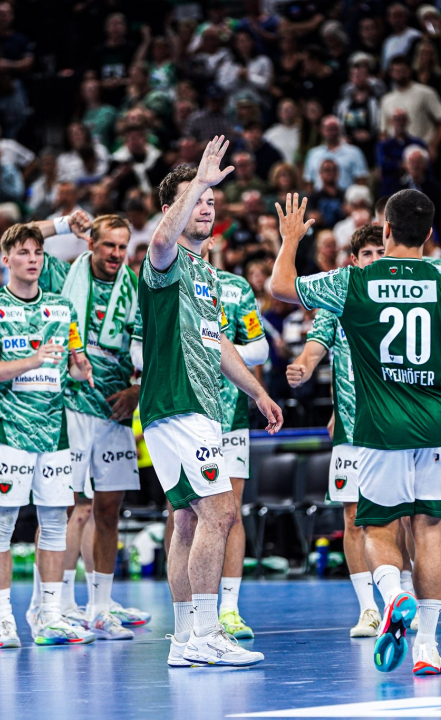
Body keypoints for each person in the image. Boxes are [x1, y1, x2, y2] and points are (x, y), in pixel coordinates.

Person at [271, 189, 441, 676]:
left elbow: (282, 286)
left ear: (385, 230)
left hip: (379, 431)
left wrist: (291, 239)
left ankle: (391, 595)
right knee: (429, 529)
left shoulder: (353, 279)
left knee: (379, 528)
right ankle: (427, 645)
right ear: (429, 234)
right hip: (438, 430)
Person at [139, 140, 283, 668]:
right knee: (220, 513)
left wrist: (257, 391)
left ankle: (184, 640)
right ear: (172, 208)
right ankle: (206, 633)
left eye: (210, 201)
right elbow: (160, 239)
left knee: (186, 521)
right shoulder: (166, 260)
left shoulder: (205, 275)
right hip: (178, 402)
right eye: (196, 200)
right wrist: (199, 178)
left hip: (193, 407)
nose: (205, 206)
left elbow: (217, 343)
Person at [0, 223, 95, 648]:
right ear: (6, 260)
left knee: (55, 521)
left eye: (38, 253)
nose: (33, 259)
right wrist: (32, 360)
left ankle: (50, 617)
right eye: (23, 253)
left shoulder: (62, 308)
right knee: (2, 523)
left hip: (54, 428)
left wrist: (80, 367)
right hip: (8, 428)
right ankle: (3, 620)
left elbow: (74, 358)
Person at [287, 225, 388, 638]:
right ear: (354, 261)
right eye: (368, 254)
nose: (375, 259)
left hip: (395, 427)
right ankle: (368, 609)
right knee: (353, 516)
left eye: (381, 252)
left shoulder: (401, 299)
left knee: (399, 516)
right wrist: (303, 366)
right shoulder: (338, 298)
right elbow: (316, 347)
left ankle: (403, 597)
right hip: (350, 427)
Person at [58, 216, 151, 638]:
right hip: (72, 403)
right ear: (90, 244)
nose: (116, 254)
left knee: (109, 509)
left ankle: (100, 606)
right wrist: (61, 224)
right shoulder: (66, 275)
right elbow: (20, 243)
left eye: (122, 246)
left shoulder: (137, 288)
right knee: (68, 507)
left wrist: (138, 392)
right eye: (108, 245)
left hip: (116, 407)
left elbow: (151, 348)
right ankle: (59, 604)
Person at [212, 239, 270, 640]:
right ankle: (187, 608)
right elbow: (141, 351)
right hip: (183, 413)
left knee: (231, 511)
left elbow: (260, 348)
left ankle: (229, 609)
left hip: (231, 416)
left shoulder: (235, 288)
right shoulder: (164, 279)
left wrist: (217, 351)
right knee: (183, 512)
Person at [378, 56, 441, 163]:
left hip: (421, 151)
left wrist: (433, 145)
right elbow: (383, 130)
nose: (398, 74)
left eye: (401, 70)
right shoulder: (386, 99)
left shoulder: (425, 93)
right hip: (396, 154)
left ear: (409, 71)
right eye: (395, 71)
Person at [304, 115, 370, 192]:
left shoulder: (354, 152)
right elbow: (309, 182)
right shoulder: (313, 154)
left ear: (340, 130)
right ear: (322, 130)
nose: (331, 133)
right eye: (328, 129)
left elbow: (361, 180)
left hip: (346, 196)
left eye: (334, 129)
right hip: (318, 196)